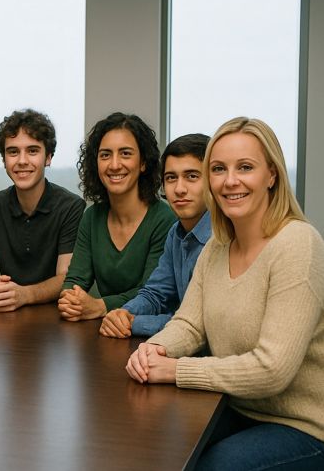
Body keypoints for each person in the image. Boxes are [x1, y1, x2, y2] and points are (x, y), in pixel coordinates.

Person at [126, 117, 324, 469]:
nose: (230, 181)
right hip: (234, 404)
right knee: (153, 442)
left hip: (303, 425)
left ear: (272, 175)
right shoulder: (219, 244)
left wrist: (175, 370)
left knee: (213, 466)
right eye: (218, 169)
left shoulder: (298, 243)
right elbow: (189, 322)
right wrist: (155, 348)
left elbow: (272, 369)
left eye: (245, 167)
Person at [58, 112, 175, 321]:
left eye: (125, 154)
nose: (114, 165)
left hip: (151, 337)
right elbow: (75, 279)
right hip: (106, 333)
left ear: (143, 163)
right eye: (105, 155)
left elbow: (152, 293)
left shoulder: (165, 220)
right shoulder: (91, 217)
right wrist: (70, 299)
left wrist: (100, 306)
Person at [0, 109, 85, 311]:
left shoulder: (71, 207)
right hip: (3, 318)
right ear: (4, 160)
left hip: (56, 322)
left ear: (48, 158)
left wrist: (24, 294)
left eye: (32, 151)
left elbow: (66, 278)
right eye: (13, 152)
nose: (22, 161)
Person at [100, 133, 211, 337]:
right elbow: (155, 294)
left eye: (192, 176)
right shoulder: (175, 233)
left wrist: (134, 323)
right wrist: (123, 313)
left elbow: (203, 325)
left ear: (213, 181)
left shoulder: (223, 239)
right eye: (171, 178)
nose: (179, 189)